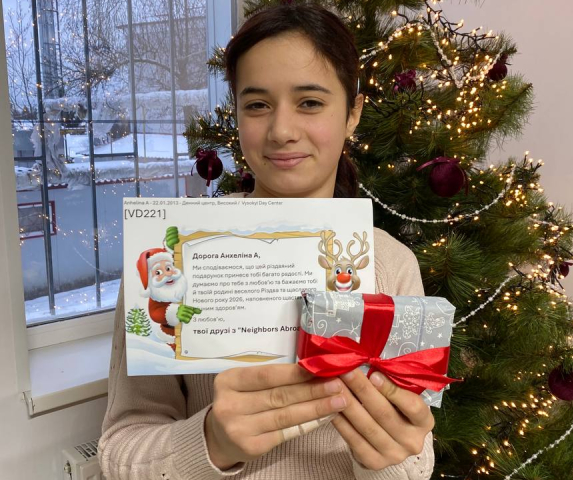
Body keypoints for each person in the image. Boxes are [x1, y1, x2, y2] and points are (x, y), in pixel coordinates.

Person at [98, 3, 435, 479]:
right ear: (236, 113)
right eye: (257, 105)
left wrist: (390, 459)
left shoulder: (392, 265)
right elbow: (120, 448)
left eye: (310, 102)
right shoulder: (170, 256)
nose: (281, 131)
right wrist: (211, 441)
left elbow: (414, 459)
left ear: (353, 113)